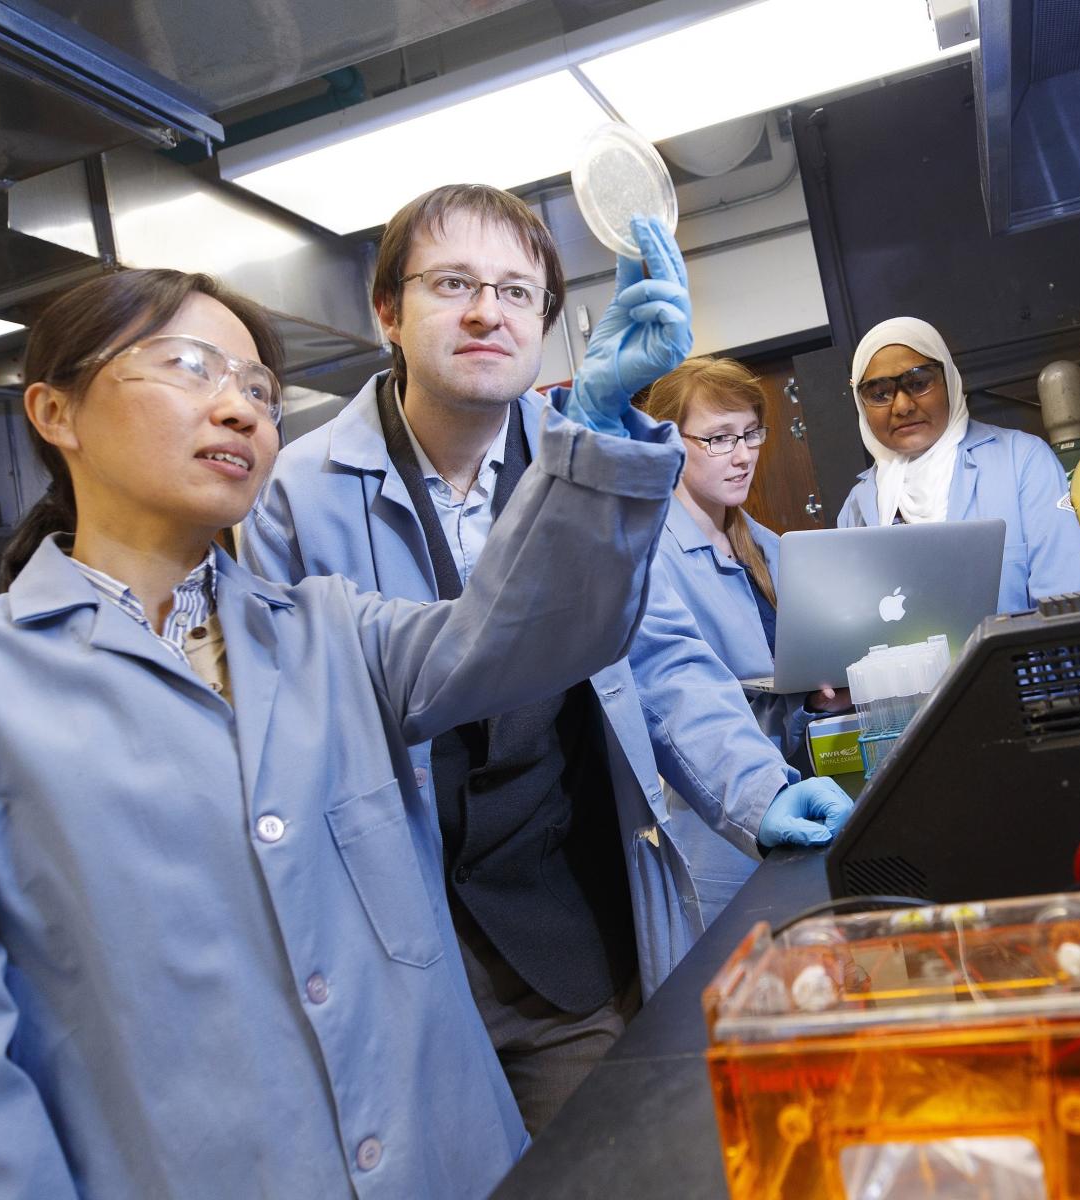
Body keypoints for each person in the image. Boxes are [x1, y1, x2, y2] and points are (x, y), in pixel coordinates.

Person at [0, 267, 683, 1197]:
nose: (237, 409)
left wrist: (585, 440)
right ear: (55, 411)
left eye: (259, 390)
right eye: (190, 366)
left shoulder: (332, 631)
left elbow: (536, 633)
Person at [242, 184, 852, 1133]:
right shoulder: (294, 494)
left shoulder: (590, 458)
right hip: (401, 934)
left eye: (518, 292)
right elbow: (280, 738)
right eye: (452, 283)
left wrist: (756, 787)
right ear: (387, 312)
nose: (488, 311)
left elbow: (655, 654)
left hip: (571, 924)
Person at [641, 356, 850, 765]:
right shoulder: (648, 561)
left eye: (750, 434)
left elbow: (781, 694)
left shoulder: (768, 546)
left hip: (801, 771)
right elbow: (686, 716)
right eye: (720, 438)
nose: (743, 457)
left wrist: (817, 700)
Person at [839, 316, 1080, 611]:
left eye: (918, 382)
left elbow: (1071, 606)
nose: (902, 406)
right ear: (862, 405)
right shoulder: (858, 507)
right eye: (879, 393)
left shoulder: (1021, 462)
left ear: (949, 380)